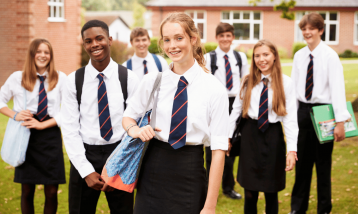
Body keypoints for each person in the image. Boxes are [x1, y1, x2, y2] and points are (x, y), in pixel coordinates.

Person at [122, 12, 229, 214]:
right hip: (153, 168)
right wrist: (134, 130)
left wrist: (210, 206)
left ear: (193, 39)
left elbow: (218, 151)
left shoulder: (214, 89)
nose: (172, 46)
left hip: (190, 171)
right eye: (167, 40)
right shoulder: (152, 81)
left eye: (179, 38)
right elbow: (128, 117)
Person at [61, 20, 138, 214]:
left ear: (109, 40)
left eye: (99, 38)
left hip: (120, 153)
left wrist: (119, 166)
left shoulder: (128, 78)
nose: (94, 44)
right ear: (84, 45)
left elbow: (136, 124)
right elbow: (70, 129)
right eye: (88, 41)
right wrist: (86, 171)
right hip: (85, 154)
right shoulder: (73, 81)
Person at [290, 12, 350, 214]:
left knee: (323, 165)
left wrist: (340, 122)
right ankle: (298, 208)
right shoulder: (299, 56)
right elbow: (294, 89)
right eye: (304, 29)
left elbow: (337, 89)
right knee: (302, 166)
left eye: (311, 29)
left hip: (324, 112)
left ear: (320, 30)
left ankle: (324, 209)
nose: (307, 32)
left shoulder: (330, 56)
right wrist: (292, 118)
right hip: (303, 112)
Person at [228, 39, 298, 214]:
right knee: (250, 193)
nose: (261, 59)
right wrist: (227, 137)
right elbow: (235, 112)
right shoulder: (247, 81)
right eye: (257, 56)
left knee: (271, 192)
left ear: (274, 56)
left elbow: (290, 120)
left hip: (273, 137)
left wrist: (292, 150)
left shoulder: (286, 83)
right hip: (250, 137)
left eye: (266, 54)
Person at [0, 38, 66, 214]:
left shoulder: (60, 78)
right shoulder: (17, 77)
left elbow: (68, 110)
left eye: (46, 52)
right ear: (32, 54)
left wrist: (43, 125)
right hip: (25, 136)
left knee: (52, 192)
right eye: (39, 51)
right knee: (27, 190)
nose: (43, 55)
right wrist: (14, 114)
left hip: (50, 135)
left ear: (50, 56)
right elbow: (0, 100)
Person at [204, 22, 248, 200]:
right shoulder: (209, 57)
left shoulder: (240, 57)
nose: (225, 39)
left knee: (231, 146)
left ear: (232, 37)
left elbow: (246, 82)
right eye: (221, 36)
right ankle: (208, 188)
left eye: (228, 35)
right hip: (215, 103)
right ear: (217, 38)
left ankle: (228, 187)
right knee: (211, 145)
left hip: (235, 103)